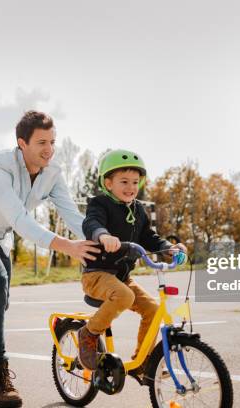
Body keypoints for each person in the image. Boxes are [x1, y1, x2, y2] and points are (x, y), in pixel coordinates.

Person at [0, 110, 100, 408]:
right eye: (41, 142)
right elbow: (17, 217)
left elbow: (72, 215)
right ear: (21, 143)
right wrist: (65, 245)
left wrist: (99, 237)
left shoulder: (52, 173)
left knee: (0, 298)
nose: (49, 149)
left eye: (53, 141)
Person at [78, 149, 186, 381]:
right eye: (124, 181)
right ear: (108, 183)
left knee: (153, 309)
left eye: (135, 182)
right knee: (124, 296)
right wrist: (102, 235)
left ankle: (142, 362)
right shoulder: (100, 203)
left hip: (122, 278)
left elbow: (149, 237)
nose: (130, 187)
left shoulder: (139, 210)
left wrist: (169, 247)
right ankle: (88, 334)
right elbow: (92, 222)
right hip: (96, 274)